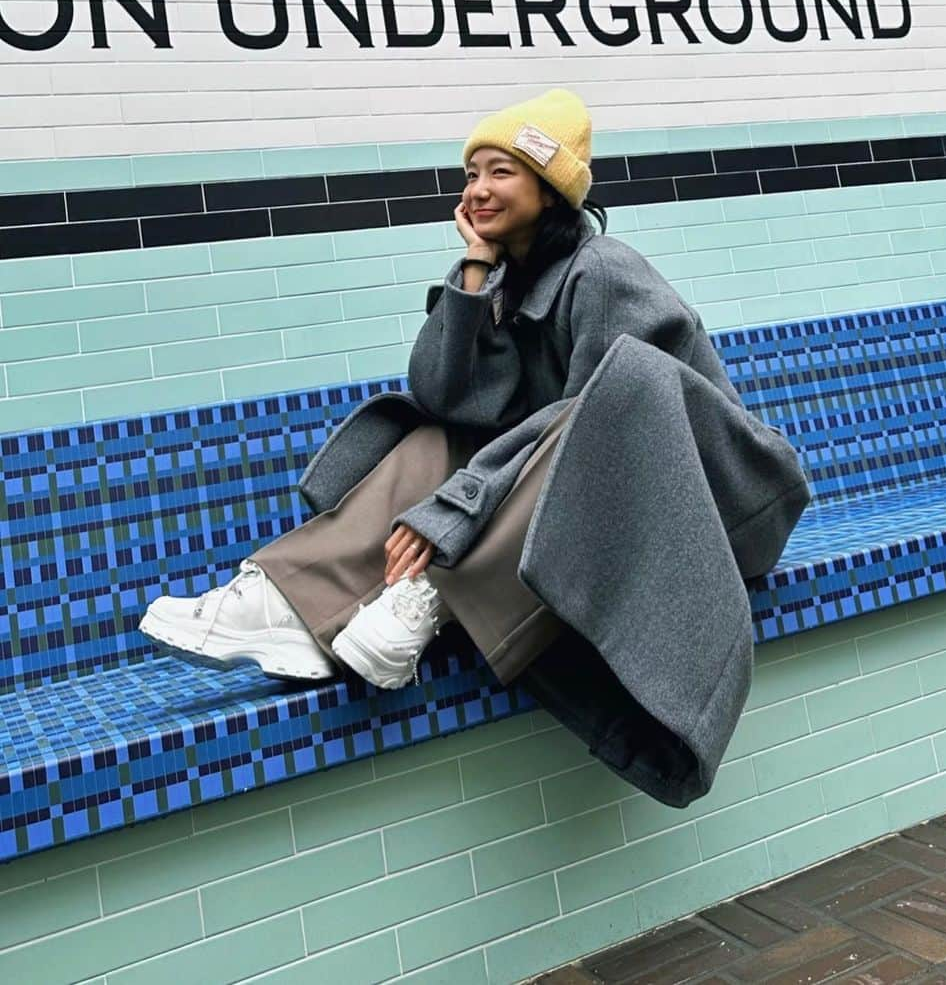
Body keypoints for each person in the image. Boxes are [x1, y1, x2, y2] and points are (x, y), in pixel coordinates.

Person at [140, 89, 809, 803]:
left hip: (713, 505)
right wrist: (473, 271)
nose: (478, 189)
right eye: (472, 174)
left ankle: (432, 590)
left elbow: (602, 426)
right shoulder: (507, 280)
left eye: (503, 172)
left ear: (551, 189)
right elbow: (444, 395)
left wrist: (457, 514)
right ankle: (293, 601)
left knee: (612, 392)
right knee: (437, 434)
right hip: (607, 500)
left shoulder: (605, 267)